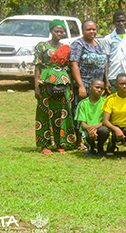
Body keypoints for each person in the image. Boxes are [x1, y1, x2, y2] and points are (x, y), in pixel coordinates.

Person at [34, 19, 75, 154]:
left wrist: (72, 88)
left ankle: (61, 143)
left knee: (62, 112)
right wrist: (36, 87)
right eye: (56, 31)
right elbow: (37, 67)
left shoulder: (66, 48)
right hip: (46, 82)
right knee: (45, 112)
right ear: (51, 31)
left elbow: (69, 68)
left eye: (61, 32)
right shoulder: (42, 46)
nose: (59, 34)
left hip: (63, 82)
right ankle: (44, 145)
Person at [69, 19, 108, 144]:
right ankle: (79, 140)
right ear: (82, 31)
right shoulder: (78, 44)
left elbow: (104, 64)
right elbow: (74, 65)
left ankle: (93, 137)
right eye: (88, 29)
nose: (92, 31)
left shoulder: (98, 44)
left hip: (98, 86)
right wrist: (80, 86)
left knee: (96, 111)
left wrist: (106, 82)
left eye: (94, 29)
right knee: (80, 110)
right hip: (84, 84)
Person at [102, 11, 126, 93]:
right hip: (113, 76)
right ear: (114, 22)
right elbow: (106, 60)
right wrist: (107, 80)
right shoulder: (108, 39)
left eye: (123, 21)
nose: (121, 23)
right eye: (118, 21)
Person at [75, 79, 107, 157]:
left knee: (104, 130)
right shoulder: (82, 104)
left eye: (101, 88)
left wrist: (95, 128)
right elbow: (83, 124)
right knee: (86, 133)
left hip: (100, 128)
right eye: (97, 87)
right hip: (87, 129)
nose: (99, 90)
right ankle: (91, 147)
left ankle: (100, 147)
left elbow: (106, 121)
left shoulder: (106, 102)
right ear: (90, 87)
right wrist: (91, 129)